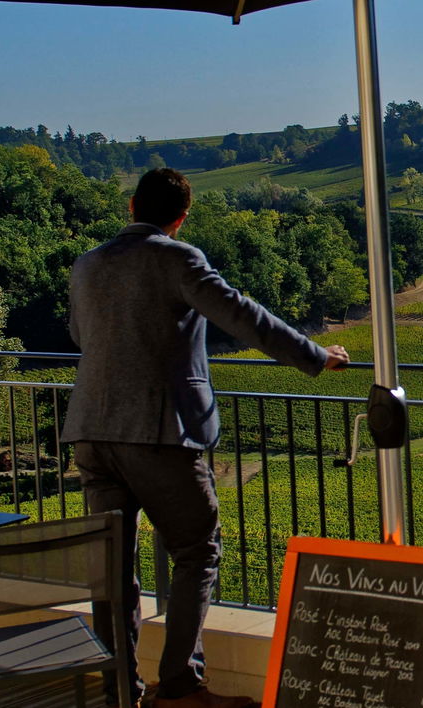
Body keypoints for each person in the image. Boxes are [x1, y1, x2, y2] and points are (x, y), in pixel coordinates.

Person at [61, 168, 350, 708]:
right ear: (181, 216)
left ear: (131, 206)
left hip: (91, 432)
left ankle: (118, 688)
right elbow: (243, 316)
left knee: (112, 568)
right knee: (197, 550)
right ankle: (180, 685)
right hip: (159, 431)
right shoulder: (178, 258)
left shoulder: (88, 263)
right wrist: (317, 355)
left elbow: (80, 336)